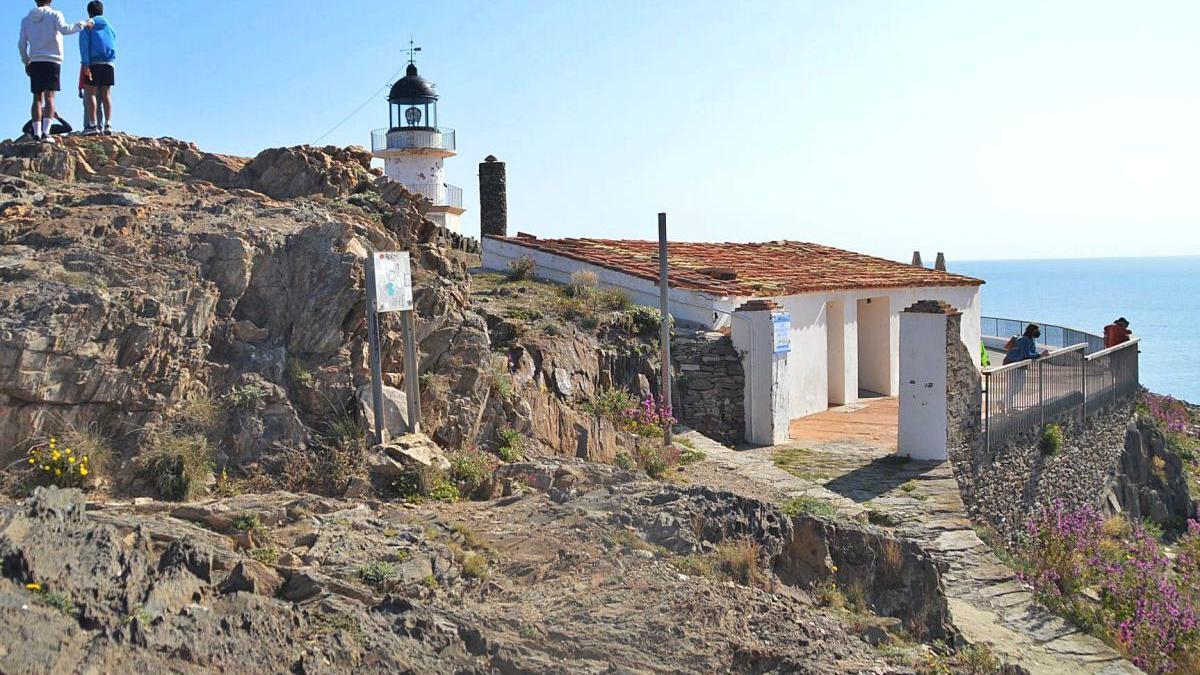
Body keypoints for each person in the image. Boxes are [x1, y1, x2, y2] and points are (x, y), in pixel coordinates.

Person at [17, 0, 93, 143]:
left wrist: (26, 61)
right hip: (52, 60)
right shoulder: (55, 14)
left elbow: (21, 44)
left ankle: (37, 133)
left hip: (35, 60)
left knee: (36, 98)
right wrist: (83, 23)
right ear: (50, 1)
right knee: (50, 97)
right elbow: (65, 29)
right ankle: (46, 133)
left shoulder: (26, 20)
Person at [79, 0, 115, 135]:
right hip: (109, 62)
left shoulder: (88, 25)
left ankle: (93, 125)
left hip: (94, 62)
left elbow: (84, 45)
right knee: (106, 93)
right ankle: (108, 124)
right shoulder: (109, 27)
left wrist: (85, 64)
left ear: (89, 12)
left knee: (91, 93)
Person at [1001, 324, 1049, 411]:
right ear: (1032, 331)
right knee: (1013, 386)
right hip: (1013, 364)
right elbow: (1026, 354)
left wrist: (1038, 354)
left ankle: (1003, 402)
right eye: (1037, 331)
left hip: (1020, 365)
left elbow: (1029, 352)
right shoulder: (1025, 340)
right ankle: (1009, 407)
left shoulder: (1030, 340)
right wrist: (1041, 355)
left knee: (1018, 386)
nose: (1039, 333)